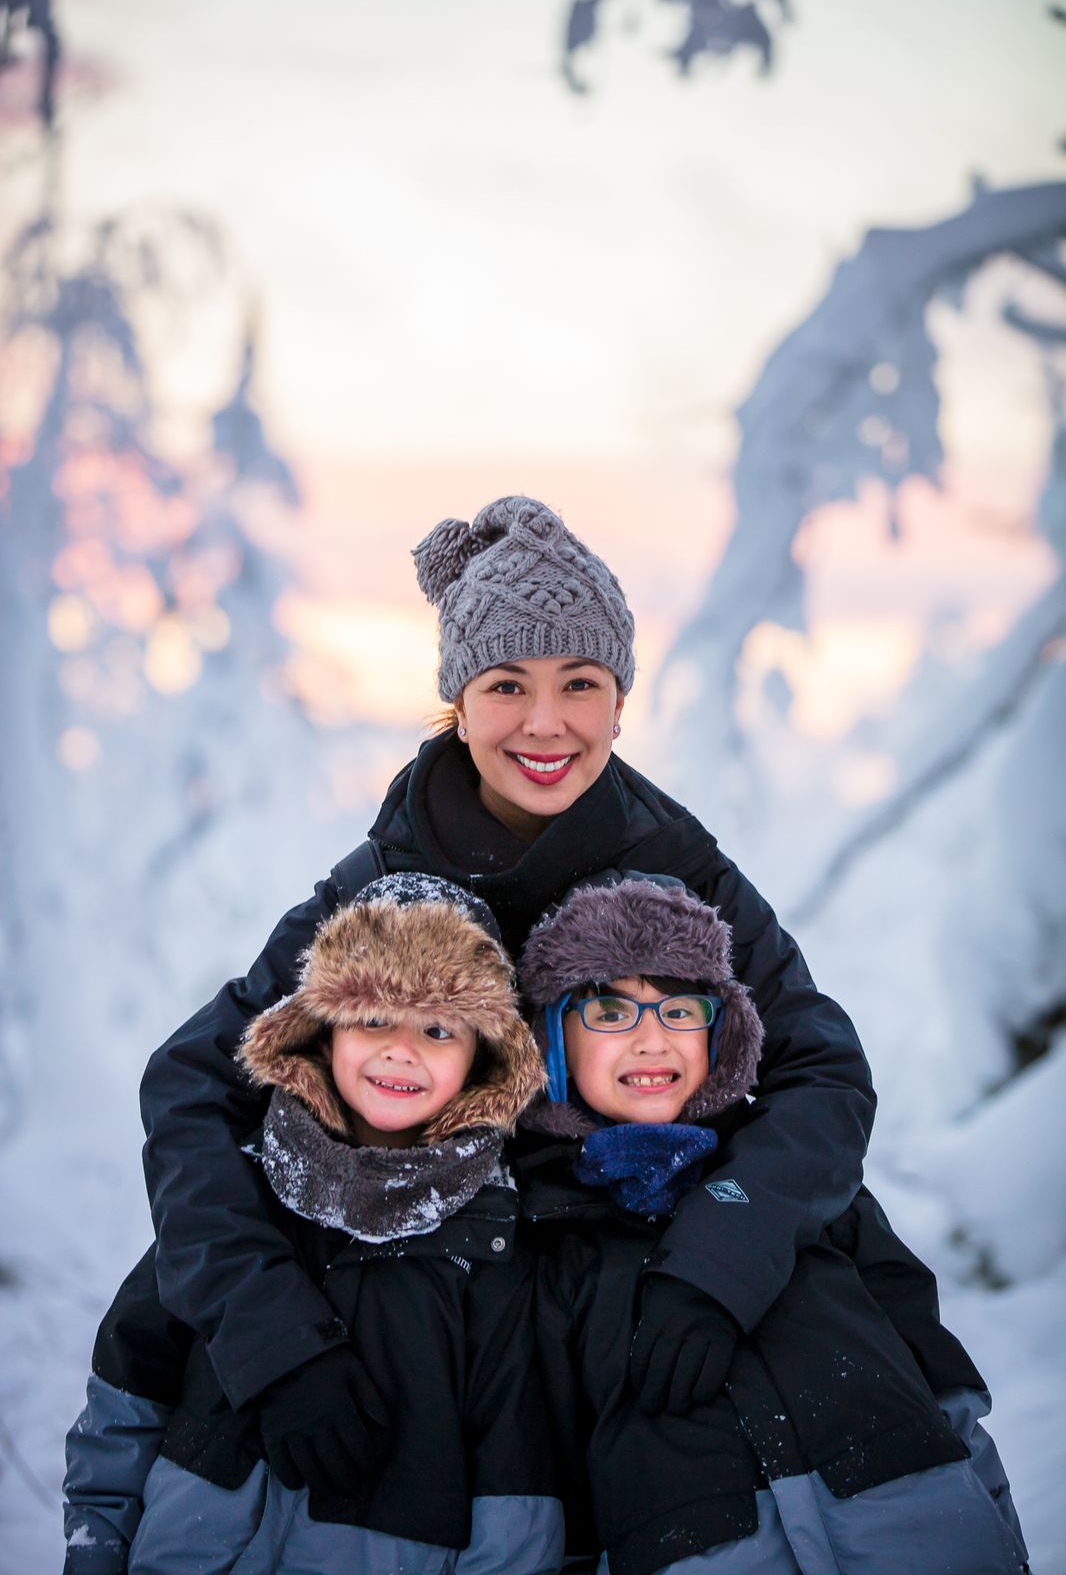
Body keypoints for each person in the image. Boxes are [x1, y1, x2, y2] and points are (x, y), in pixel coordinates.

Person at [139, 494, 877, 1498]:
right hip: (441, 1331)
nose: (545, 722)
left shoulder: (684, 874)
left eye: (579, 681)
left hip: (643, 1307)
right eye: (505, 684)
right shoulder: (378, 890)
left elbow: (820, 1069)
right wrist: (272, 1337)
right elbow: (193, 1082)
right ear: (458, 700)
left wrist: (721, 1264)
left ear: (619, 701)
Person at [515, 872, 1029, 1575]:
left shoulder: (797, 1189)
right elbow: (552, 1493)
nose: (651, 1040)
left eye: (681, 1010)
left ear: (721, 1031)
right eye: (609, 1014)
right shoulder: (544, 1239)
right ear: (552, 1043)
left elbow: (946, 1392)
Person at [64, 875, 562, 1575]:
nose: (401, 1049)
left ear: (483, 1058)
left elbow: (517, 1503)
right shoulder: (243, 1199)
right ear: (322, 1034)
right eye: (372, 1018)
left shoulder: (493, 1246)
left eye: (439, 1028)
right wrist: (96, 1548)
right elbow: (128, 1391)